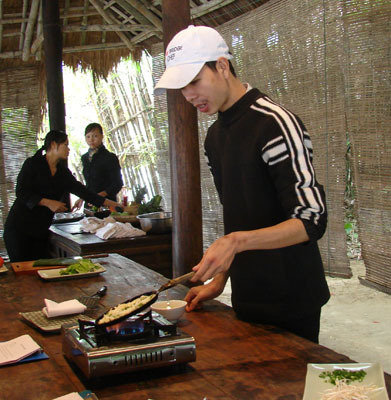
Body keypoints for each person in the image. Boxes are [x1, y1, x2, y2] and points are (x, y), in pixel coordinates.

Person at [154, 25, 330, 343]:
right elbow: (239, 217)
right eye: (182, 86)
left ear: (222, 65)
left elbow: (312, 219)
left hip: (292, 297)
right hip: (247, 297)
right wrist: (219, 280)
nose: (189, 95)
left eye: (194, 81)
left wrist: (235, 243)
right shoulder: (215, 138)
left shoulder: (274, 124)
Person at [3, 130, 123, 262]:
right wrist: (48, 202)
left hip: (40, 231)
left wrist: (115, 205)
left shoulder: (62, 173)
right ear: (54, 145)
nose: (69, 149)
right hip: (19, 229)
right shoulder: (32, 164)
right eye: (65, 145)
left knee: (42, 271)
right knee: (23, 275)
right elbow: (21, 192)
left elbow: (86, 193)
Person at [73, 122, 123, 210]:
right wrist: (82, 198)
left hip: (107, 204)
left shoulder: (110, 157)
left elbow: (117, 183)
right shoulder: (85, 158)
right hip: (89, 205)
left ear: (102, 136)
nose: (91, 140)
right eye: (88, 136)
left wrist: (100, 195)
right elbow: (89, 184)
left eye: (95, 136)